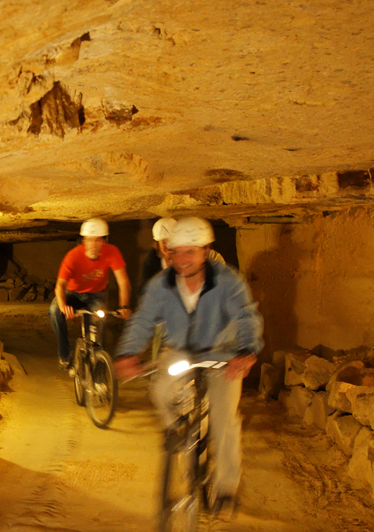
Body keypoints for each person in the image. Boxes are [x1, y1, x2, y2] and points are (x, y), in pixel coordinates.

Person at [115, 217, 263, 513]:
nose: (180, 260)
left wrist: (246, 351)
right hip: (181, 351)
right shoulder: (162, 284)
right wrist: (129, 352)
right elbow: (144, 320)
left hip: (224, 355)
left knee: (224, 422)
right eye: (175, 252)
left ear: (205, 250)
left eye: (189, 252)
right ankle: (183, 438)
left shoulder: (227, 281)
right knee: (160, 391)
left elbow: (246, 315)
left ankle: (225, 488)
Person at [48, 218, 132, 371]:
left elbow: (123, 282)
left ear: (104, 241)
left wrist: (124, 306)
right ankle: (65, 357)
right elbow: (59, 286)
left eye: (97, 240)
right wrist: (63, 306)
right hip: (72, 294)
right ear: (83, 241)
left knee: (99, 324)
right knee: (54, 311)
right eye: (90, 240)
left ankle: (99, 365)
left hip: (95, 296)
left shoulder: (112, 252)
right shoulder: (73, 256)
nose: (93, 244)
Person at [140, 216, 225, 288]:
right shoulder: (152, 262)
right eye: (163, 242)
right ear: (158, 245)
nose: (167, 246)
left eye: (171, 241)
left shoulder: (212, 257)